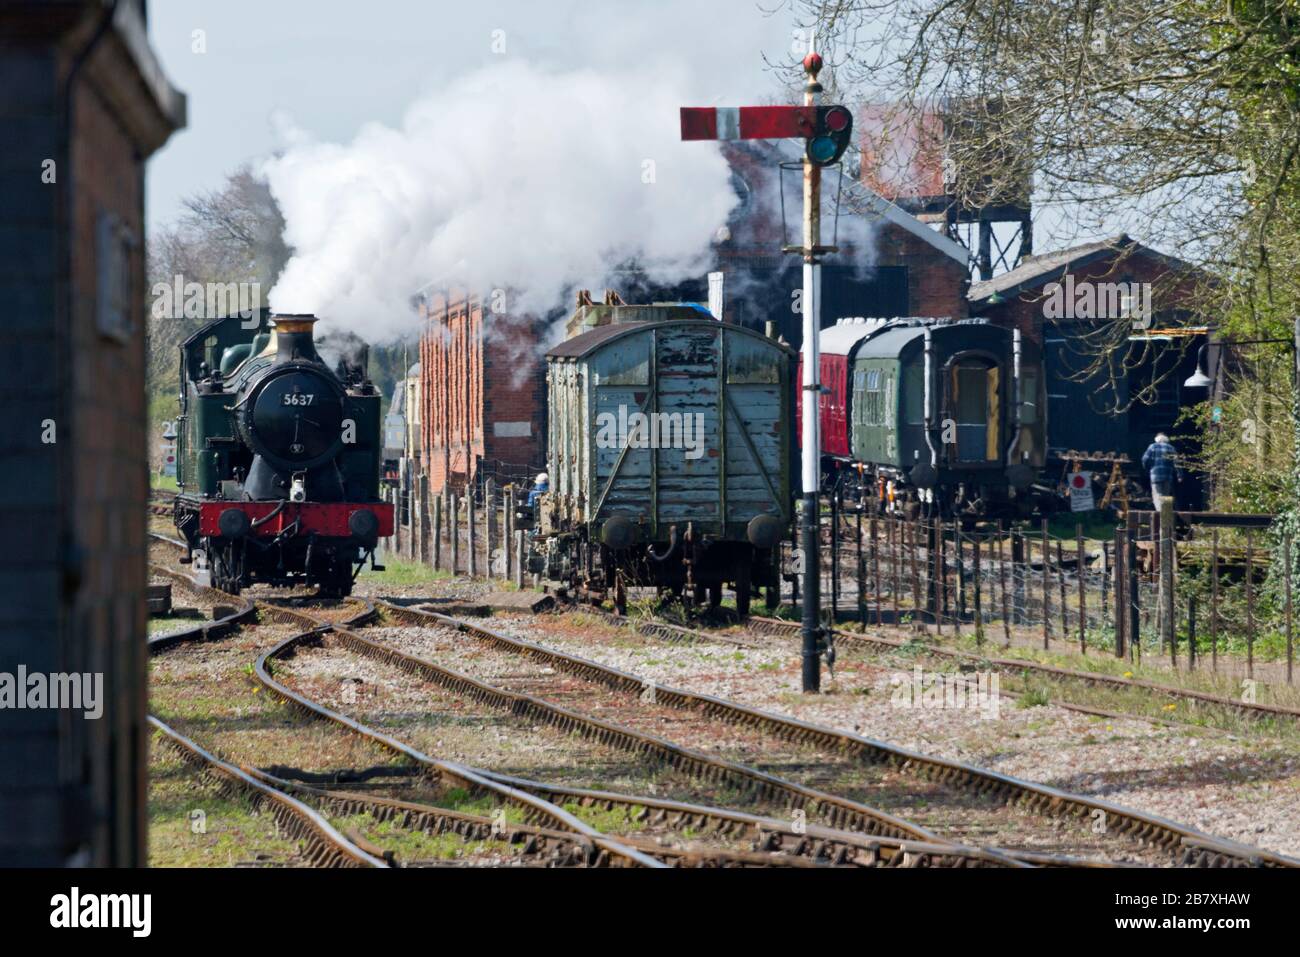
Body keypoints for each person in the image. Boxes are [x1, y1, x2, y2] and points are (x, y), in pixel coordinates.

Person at [1141, 433, 1181, 505]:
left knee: (1157, 496)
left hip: (1155, 475)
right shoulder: (1171, 448)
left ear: (1156, 439)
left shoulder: (1152, 447)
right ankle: (1165, 514)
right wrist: (1179, 475)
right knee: (1165, 496)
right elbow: (1177, 463)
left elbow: (1145, 459)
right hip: (1168, 476)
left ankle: (1161, 514)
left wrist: (1147, 468)